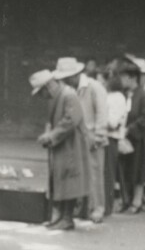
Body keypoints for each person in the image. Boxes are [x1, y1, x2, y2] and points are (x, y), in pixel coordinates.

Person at [32, 69, 91, 230]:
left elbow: (71, 120)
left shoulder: (68, 95)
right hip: (63, 144)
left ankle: (67, 218)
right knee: (62, 179)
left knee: (69, 179)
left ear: (49, 86)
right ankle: (62, 217)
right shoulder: (57, 96)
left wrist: (51, 136)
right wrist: (49, 134)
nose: (41, 96)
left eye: (41, 91)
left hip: (72, 144)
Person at [54, 57, 108, 223]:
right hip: (78, 137)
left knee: (95, 174)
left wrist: (98, 136)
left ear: (75, 75)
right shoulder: (70, 90)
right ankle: (83, 209)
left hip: (93, 136)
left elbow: (101, 112)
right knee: (80, 174)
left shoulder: (93, 87)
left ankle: (98, 208)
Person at [118, 61, 145, 214]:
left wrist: (130, 129)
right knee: (125, 170)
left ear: (132, 78)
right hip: (125, 137)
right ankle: (126, 199)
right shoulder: (125, 95)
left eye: (124, 77)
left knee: (138, 170)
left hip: (138, 139)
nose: (122, 81)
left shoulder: (144, 96)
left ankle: (137, 201)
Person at [104, 71, 127, 216]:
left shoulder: (115, 98)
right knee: (109, 173)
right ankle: (107, 204)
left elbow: (112, 122)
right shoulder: (118, 97)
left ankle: (107, 206)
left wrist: (99, 119)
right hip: (110, 137)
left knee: (108, 173)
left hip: (110, 137)